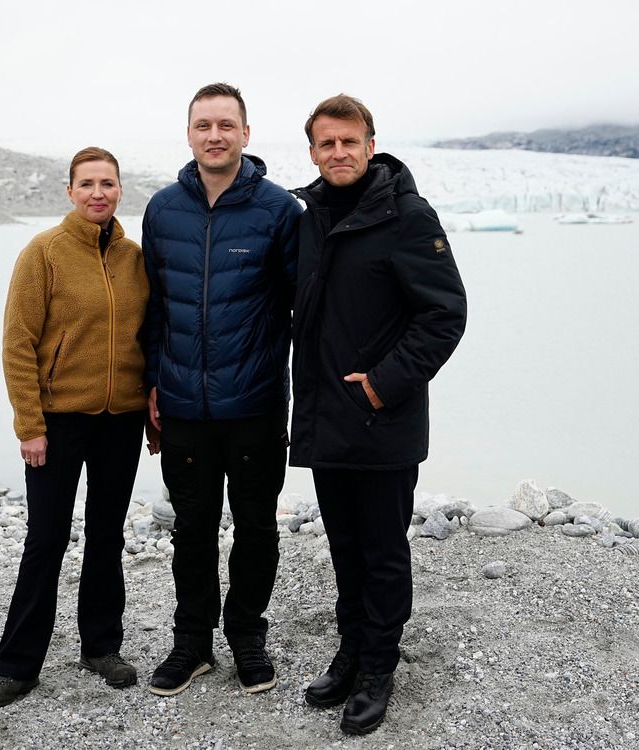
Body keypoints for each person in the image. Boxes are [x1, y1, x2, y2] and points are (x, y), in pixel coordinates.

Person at [290, 95, 467, 734]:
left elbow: (445, 313)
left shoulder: (408, 216)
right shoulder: (308, 217)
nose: (338, 153)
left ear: (370, 144)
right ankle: (351, 649)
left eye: (349, 141)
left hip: (382, 418)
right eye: (326, 143)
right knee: (344, 546)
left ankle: (379, 668)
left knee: (383, 551)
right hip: (327, 418)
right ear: (312, 150)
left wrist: (383, 386)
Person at [142, 82, 302, 696]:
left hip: (256, 403)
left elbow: (300, 309)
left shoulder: (278, 211)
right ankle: (193, 643)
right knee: (193, 525)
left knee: (256, 526)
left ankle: (246, 636)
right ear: (189, 134)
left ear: (246, 134)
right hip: (182, 403)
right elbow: (152, 309)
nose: (215, 135)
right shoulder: (163, 209)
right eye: (203, 125)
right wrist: (151, 384)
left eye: (226, 125)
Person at [0, 147, 150, 708]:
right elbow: (17, 343)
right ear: (70, 192)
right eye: (87, 184)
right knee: (46, 538)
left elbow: (149, 339)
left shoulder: (134, 258)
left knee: (107, 535)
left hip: (120, 420)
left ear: (120, 190)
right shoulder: (44, 252)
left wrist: (151, 403)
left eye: (108, 183)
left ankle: (100, 646)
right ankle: (18, 665)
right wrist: (29, 425)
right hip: (58, 421)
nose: (98, 192)